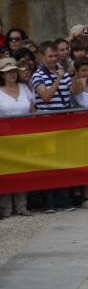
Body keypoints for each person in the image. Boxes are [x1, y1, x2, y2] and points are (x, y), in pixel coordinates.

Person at [31, 41, 77, 213]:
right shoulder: (37, 76)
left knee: (63, 161)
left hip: (63, 123)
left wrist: (72, 74)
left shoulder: (64, 73)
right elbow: (46, 97)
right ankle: (48, 202)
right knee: (48, 162)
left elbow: (76, 90)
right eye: (50, 56)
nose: (53, 59)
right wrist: (58, 78)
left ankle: (63, 201)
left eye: (55, 55)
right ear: (43, 57)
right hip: (46, 124)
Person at [0, 57, 34, 218]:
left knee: (23, 170)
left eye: (14, 71)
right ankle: (6, 207)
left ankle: (22, 205)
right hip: (4, 138)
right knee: (6, 171)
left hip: (23, 136)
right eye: (8, 72)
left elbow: (32, 110)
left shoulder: (25, 88)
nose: (12, 74)